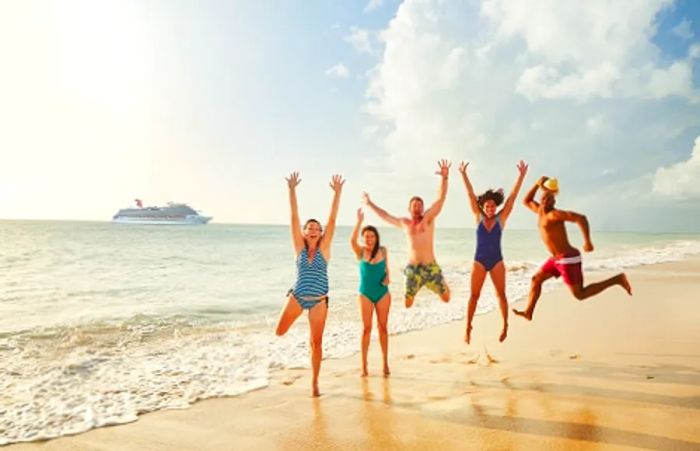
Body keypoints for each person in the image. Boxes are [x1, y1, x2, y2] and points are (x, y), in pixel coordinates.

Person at [512, 176, 632, 321]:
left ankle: (617, 279)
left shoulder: (554, 215)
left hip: (568, 258)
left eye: (549, 199)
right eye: (543, 198)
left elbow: (581, 218)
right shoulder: (539, 211)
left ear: (553, 201)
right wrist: (537, 184)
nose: (544, 201)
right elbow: (526, 201)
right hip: (556, 259)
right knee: (536, 279)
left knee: (579, 294)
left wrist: (587, 241)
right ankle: (528, 312)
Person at [275, 172, 344, 397]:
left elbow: (332, 220)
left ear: (321, 233)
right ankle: (294, 310)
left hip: (319, 302)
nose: (313, 230)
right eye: (310, 228)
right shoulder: (299, 249)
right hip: (297, 297)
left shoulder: (324, 249)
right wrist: (292, 190)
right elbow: (294, 218)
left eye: (317, 228)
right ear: (304, 233)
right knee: (279, 331)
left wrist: (337, 193)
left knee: (316, 343)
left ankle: (314, 382)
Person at [362, 159, 451, 308]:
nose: (417, 207)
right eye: (414, 205)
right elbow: (385, 216)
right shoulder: (404, 223)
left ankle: (432, 285)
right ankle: (417, 288)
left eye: (420, 205)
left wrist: (444, 178)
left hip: (431, 267)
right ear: (409, 208)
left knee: (446, 298)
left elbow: (440, 198)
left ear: (423, 209)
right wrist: (369, 203)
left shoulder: (428, 218)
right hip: (412, 268)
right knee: (407, 304)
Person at [459, 160, 528, 344]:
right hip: (479, 261)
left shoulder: (501, 219)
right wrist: (464, 174)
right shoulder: (478, 216)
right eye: (487, 206)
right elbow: (469, 194)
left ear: (496, 207)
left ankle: (505, 325)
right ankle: (468, 327)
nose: (490, 209)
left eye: (493, 206)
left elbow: (512, 197)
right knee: (474, 295)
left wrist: (521, 176)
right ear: (483, 207)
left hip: (496, 261)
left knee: (501, 295)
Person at [350, 208, 392, 377]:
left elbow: (387, 270)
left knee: (383, 328)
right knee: (366, 329)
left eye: (372, 236)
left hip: (382, 292)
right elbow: (351, 240)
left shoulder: (383, 251)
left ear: (376, 238)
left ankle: (385, 363)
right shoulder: (360, 252)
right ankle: (364, 366)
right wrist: (358, 222)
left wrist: (388, 277)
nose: (369, 239)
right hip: (365, 294)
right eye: (366, 236)